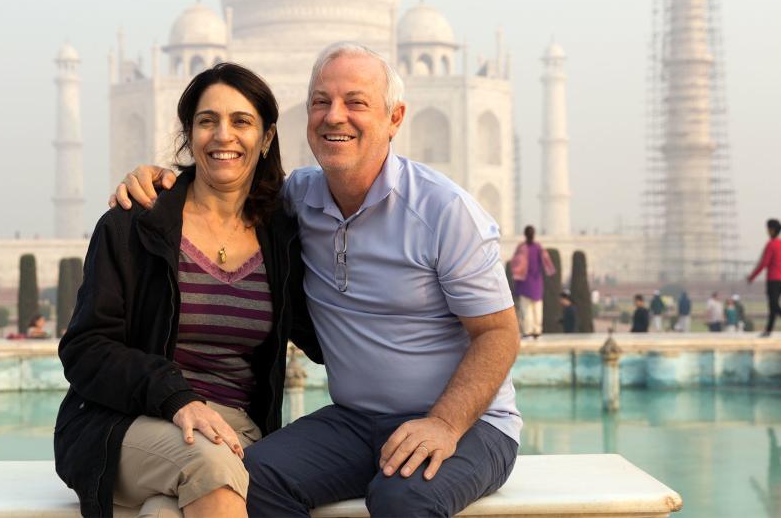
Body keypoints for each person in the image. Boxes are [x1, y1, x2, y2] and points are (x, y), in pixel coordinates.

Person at [115, 43, 521, 518]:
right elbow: (220, 188)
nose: (335, 116)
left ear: (395, 118)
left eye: (356, 102)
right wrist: (160, 181)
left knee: (402, 497)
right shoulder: (296, 200)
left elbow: (498, 332)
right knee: (249, 480)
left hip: (470, 425)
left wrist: (444, 424)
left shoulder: (443, 212)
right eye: (321, 102)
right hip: (356, 422)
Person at [55, 63, 317, 518]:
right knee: (211, 471)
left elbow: (325, 334)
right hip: (125, 423)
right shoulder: (136, 221)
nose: (223, 135)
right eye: (207, 120)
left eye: (241, 121)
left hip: (235, 426)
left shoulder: (281, 235)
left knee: (164, 512)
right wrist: (176, 398)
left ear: (268, 137)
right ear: (189, 133)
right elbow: (85, 347)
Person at [746, 218, 781, 338]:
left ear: (772, 230)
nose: (766, 231)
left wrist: (752, 277)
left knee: (774, 306)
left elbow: (764, 263)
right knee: (773, 306)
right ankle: (768, 331)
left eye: (768, 229)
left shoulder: (771, 244)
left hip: (773, 280)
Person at [508, 225, 553, 339]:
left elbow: (514, 264)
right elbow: (547, 262)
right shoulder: (536, 247)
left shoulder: (523, 247)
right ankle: (535, 330)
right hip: (533, 281)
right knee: (534, 307)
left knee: (527, 308)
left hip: (528, 282)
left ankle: (530, 330)